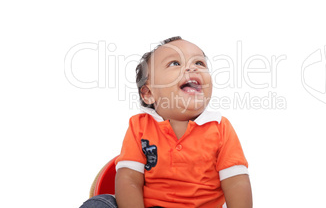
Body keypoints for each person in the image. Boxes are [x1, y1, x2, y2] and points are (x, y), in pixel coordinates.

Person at [80, 36, 252, 208]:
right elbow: (129, 179)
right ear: (148, 93)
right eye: (175, 63)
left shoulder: (219, 128)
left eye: (200, 63)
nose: (192, 67)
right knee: (99, 203)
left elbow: (236, 182)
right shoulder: (140, 126)